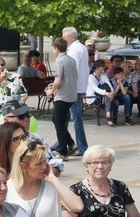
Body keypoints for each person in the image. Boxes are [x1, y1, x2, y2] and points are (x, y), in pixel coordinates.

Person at [0, 100, 64, 176]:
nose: (27, 119)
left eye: (28, 115)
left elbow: (57, 165)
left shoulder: (36, 138)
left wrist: (44, 172)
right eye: (21, 116)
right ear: (6, 120)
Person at [45, 38, 78, 157]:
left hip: (62, 96)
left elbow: (58, 80)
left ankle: (63, 151)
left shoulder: (60, 61)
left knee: (59, 124)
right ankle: (71, 143)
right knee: (57, 119)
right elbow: (73, 77)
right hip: (72, 94)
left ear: (56, 48)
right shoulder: (71, 60)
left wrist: (51, 90)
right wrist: (54, 85)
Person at [63, 27, 89, 155]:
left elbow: (73, 69)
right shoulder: (82, 48)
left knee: (74, 117)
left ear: (71, 37)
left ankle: (82, 146)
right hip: (79, 86)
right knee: (70, 116)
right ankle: (63, 142)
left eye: (65, 37)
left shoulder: (73, 49)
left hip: (73, 87)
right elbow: (85, 69)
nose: (63, 40)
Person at [85, 61, 119, 126]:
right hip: (93, 97)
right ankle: (109, 117)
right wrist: (107, 94)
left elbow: (109, 85)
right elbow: (95, 89)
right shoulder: (90, 77)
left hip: (103, 96)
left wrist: (112, 92)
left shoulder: (104, 75)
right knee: (107, 96)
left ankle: (110, 115)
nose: (104, 67)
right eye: (103, 66)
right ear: (97, 67)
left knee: (115, 101)